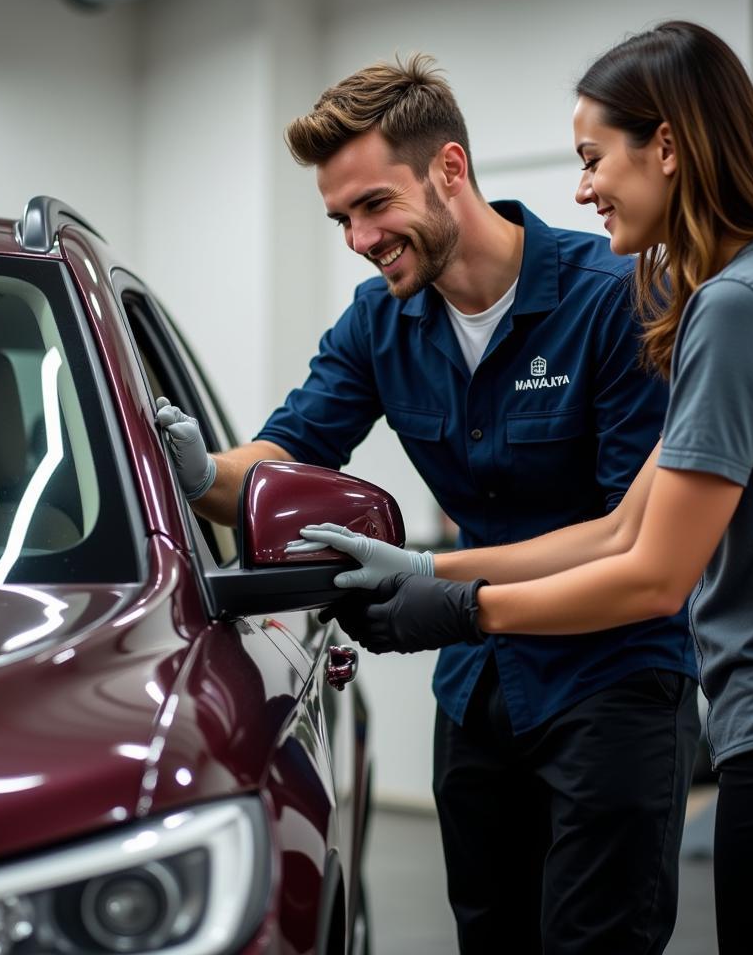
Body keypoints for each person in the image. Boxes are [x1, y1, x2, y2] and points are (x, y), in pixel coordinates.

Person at [307, 22, 753, 954]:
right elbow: (619, 528)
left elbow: (651, 577)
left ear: (667, 146)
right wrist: (427, 562)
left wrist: (464, 609)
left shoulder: (731, 304)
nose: (583, 184)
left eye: (594, 158)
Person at [156, 55, 698, 955]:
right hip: (480, 693)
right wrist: (194, 468)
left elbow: (627, 536)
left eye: (375, 206)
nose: (361, 239)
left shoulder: (614, 300)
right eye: (341, 218)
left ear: (450, 169)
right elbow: (280, 461)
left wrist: (435, 580)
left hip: (614, 683)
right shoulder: (379, 323)